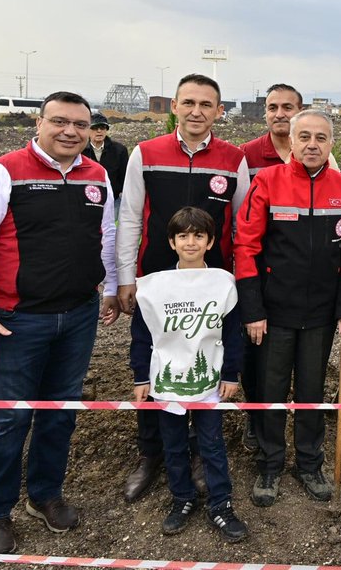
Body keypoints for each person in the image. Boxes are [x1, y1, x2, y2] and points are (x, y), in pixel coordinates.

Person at [0, 91, 118, 554]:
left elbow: (104, 237)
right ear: (39, 123)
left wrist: (108, 287)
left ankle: (43, 495)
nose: (70, 132)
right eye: (60, 122)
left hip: (78, 316)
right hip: (16, 320)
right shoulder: (2, 172)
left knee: (59, 415)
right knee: (7, 419)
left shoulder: (97, 175)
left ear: (90, 131)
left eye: (80, 125)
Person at [115, 73, 250, 503]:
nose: (197, 111)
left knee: (203, 361)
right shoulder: (147, 153)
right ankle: (151, 454)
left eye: (206, 104)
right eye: (188, 102)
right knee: (159, 363)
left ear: (218, 111)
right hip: (157, 278)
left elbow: (242, 222)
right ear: (174, 105)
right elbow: (131, 217)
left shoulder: (233, 159)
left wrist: (240, 280)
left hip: (212, 282)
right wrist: (124, 278)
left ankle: (198, 454)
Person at [235, 111, 341, 506]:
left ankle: (309, 463)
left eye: (321, 138)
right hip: (273, 315)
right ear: (291, 140)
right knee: (272, 391)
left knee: (311, 391)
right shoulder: (267, 183)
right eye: (304, 136)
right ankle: (270, 464)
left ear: (330, 144)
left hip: (321, 316)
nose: (312, 144)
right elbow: (246, 247)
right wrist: (253, 309)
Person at [130, 207, 248, 543]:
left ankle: (220, 503)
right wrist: (141, 376)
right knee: (174, 444)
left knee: (212, 445)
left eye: (198, 236)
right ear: (172, 241)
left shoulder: (223, 283)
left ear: (211, 241)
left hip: (210, 382)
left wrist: (230, 374)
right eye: (183, 236)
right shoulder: (155, 286)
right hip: (166, 382)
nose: (191, 242)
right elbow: (142, 334)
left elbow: (231, 333)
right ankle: (181, 499)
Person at [82, 113, 128, 206]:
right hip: (86, 199)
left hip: (112, 200)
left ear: (106, 130)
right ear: (88, 130)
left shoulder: (119, 150)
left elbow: (124, 176)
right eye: (95, 127)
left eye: (102, 127)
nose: (99, 131)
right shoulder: (80, 150)